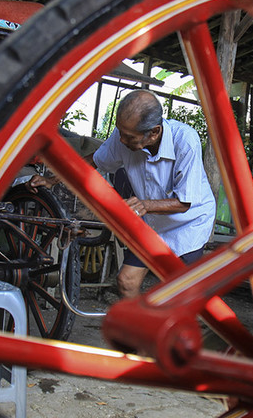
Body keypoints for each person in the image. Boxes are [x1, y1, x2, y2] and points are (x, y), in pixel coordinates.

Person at [28, 90, 215, 298]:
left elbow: (184, 203)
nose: (122, 141)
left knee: (179, 292)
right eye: (120, 133)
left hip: (188, 225)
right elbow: (94, 161)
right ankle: (140, 329)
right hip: (152, 224)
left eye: (129, 137)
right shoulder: (123, 136)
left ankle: (171, 328)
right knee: (126, 282)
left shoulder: (186, 141)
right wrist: (52, 180)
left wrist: (145, 205)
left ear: (154, 132)